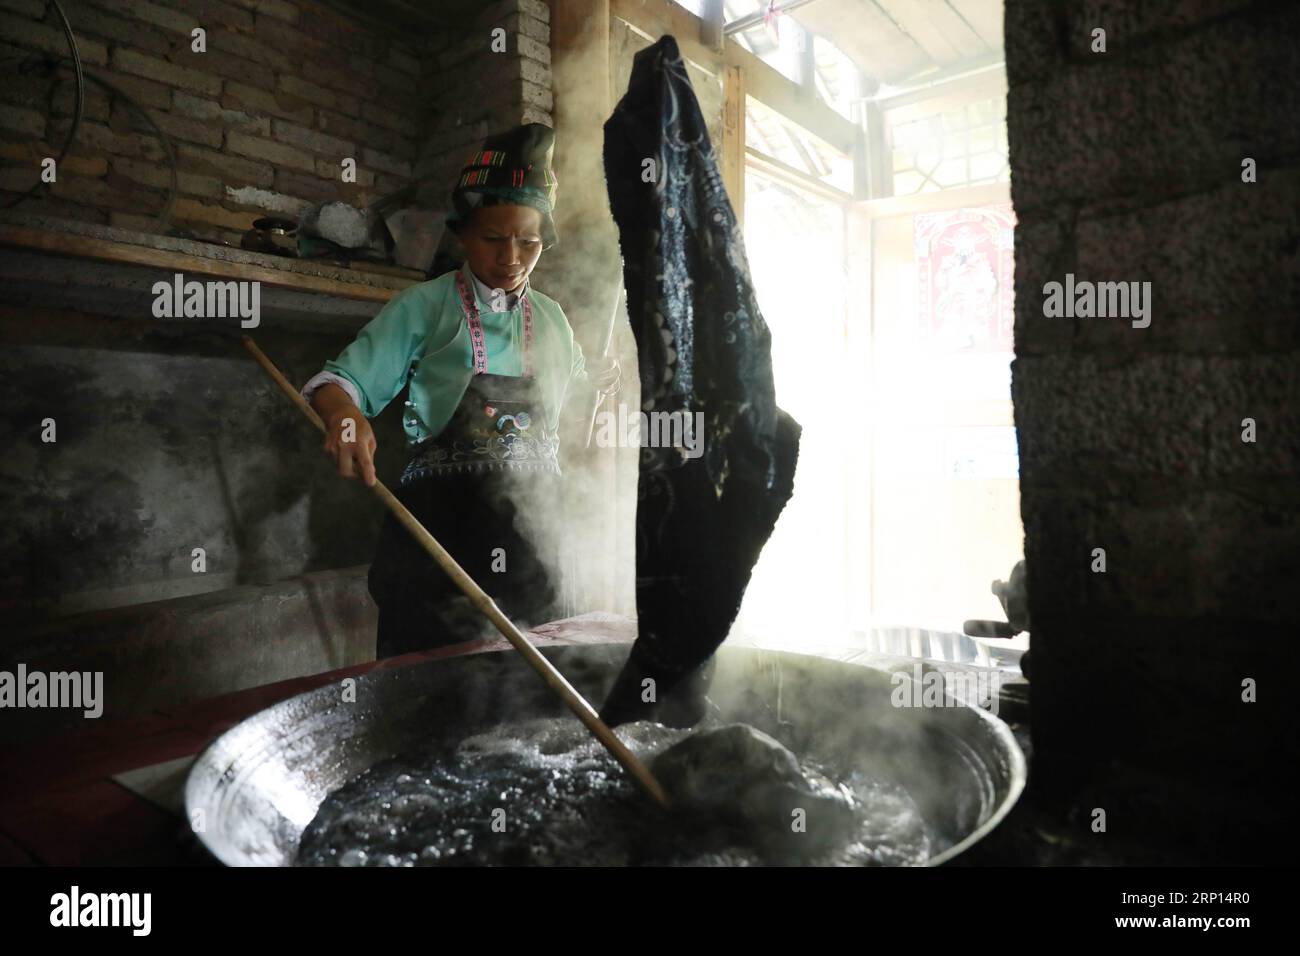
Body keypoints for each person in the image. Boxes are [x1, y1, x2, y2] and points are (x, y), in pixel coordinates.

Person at [302, 124, 619, 658]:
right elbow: (340, 383)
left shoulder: (553, 319)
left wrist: (596, 384)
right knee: (430, 689)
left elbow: (570, 409)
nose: (512, 257)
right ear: (463, 235)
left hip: (533, 546)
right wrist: (344, 418)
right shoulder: (424, 306)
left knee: (530, 697)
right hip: (438, 538)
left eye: (529, 241)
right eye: (494, 239)